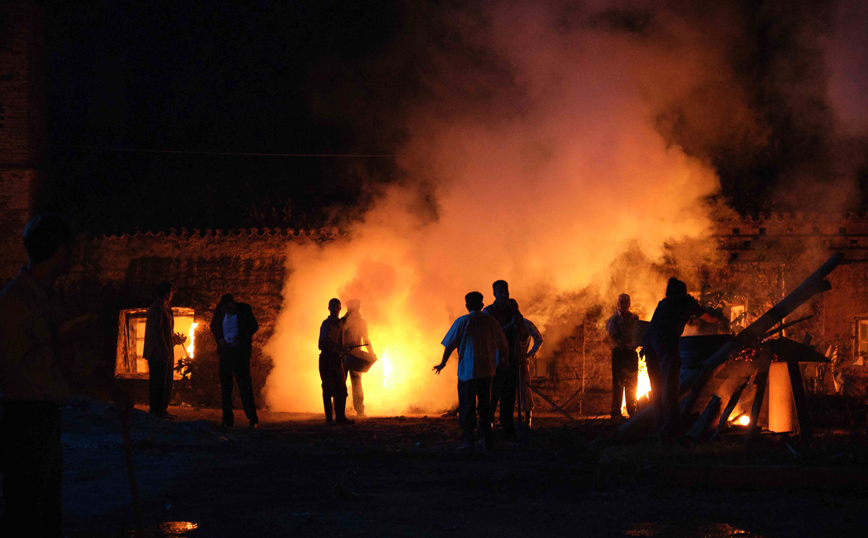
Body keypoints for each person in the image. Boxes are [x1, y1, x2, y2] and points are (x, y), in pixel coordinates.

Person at [0, 214, 132, 537]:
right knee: (25, 515)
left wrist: (111, 389)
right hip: (23, 421)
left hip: (45, 421)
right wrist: (64, 338)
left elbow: (73, 362)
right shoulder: (14, 303)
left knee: (46, 516)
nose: (72, 258)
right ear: (59, 253)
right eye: (70, 251)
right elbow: (18, 369)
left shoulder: (48, 300)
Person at [642, 278, 717, 441]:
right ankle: (673, 431)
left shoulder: (663, 304)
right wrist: (719, 316)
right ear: (683, 292)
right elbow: (709, 318)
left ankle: (659, 428)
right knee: (670, 388)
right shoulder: (686, 301)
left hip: (649, 346)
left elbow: (660, 323)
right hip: (665, 345)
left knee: (657, 389)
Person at [434, 291, 508, 451]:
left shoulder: (462, 322)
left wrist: (442, 363)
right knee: (485, 407)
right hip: (487, 372)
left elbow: (450, 345)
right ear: (482, 305)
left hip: (467, 373)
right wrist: (504, 361)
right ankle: (487, 441)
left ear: (467, 305)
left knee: (467, 407)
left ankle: (469, 442)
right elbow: (504, 346)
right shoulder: (491, 322)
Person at [210, 294, 260, 430]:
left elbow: (253, 326)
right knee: (226, 387)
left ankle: (252, 419)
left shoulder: (244, 309)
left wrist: (241, 340)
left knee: (244, 385)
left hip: (240, 353)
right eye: (224, 309)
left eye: (228, 308)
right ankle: (227, 420)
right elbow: (213, 325)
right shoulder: (220, 310)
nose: (226, 310)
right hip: (226, 351)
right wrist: (220, 339)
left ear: (233, 304)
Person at [483, 280, 525, 439]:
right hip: (493, 362)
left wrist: (519, 328)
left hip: (511, 361)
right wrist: (509, 326)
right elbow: (490, 335)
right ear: (494, 293)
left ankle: (508, 429)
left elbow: (523, 336)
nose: (504, 294)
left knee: (509, 398)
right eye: (500, 291)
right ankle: (486, 431)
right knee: (492, 398)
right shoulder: (488, 313)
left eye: (506, 291)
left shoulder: (514, 312)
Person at [144, 281, 186, 419]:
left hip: (165, 350)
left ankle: (161, 409)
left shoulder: (165, 308)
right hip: (157, 352)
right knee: (158, 381)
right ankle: (156, 410)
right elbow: (157, 332)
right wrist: (163, 352)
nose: (172, 295)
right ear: (167, 293)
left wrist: (175, 339)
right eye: (171, 292)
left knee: (165, 381)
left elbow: (166, 331)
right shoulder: (157, 309)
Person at [508, 298, 543, 427]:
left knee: (525, 389)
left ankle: (527, 416)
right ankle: (505, 417)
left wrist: (529, 354)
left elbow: (539, 339)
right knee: (505, 389)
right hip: (505, 361)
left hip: (521, 361)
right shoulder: (504, 325)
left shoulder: (526, 324)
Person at [319, 298, 353, 425]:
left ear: (340, 309)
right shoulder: (326, 324)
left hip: (338, 360)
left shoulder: (340, 324)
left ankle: (340, 417)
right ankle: (329, 419)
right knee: (328, 388)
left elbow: (345, 320)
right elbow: (326, 339)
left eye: (337, 306)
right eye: (332, 306)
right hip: (327, 358)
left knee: (341, 389)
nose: (335, 309)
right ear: (329, 308)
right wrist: (337, 347)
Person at [606, 293, 639, 420]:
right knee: (619, 382)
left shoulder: (634, 318)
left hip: (631, 354)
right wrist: (626, 345)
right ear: (618, 304)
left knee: (632, 382)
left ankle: (632, 409)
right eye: (622, 302)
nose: (624, 304)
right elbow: (613, 338)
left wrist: (635, 345)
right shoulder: (613, 320)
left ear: (629, 304)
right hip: (620, 354)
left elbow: (638, 333)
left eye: (626, 302)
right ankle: (615, 412)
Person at [341, 299, 373, 418]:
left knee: (356, 382)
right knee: (342, 383)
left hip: (355, 356)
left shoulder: (360, 323)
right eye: (355, 307)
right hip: (343, 356)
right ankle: (338, 410)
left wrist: (371, 353)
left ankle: (359, 410)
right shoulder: (342, 322)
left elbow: (365, 339)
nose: (357, 310)